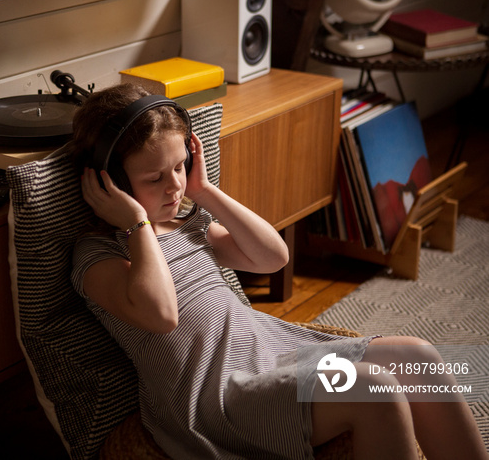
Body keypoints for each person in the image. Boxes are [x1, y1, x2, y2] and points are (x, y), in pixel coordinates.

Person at [70, 83, 487, 460]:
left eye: (180, 167)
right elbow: (160, 314)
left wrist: (204, 191)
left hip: (271, 354)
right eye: (154, 177)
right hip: (218, 396)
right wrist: (138, 223)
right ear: (113, 185)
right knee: (375, 390)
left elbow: (273, 258)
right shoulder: (99, 253)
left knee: (418, 356)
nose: (174, 186)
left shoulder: (188, 223)